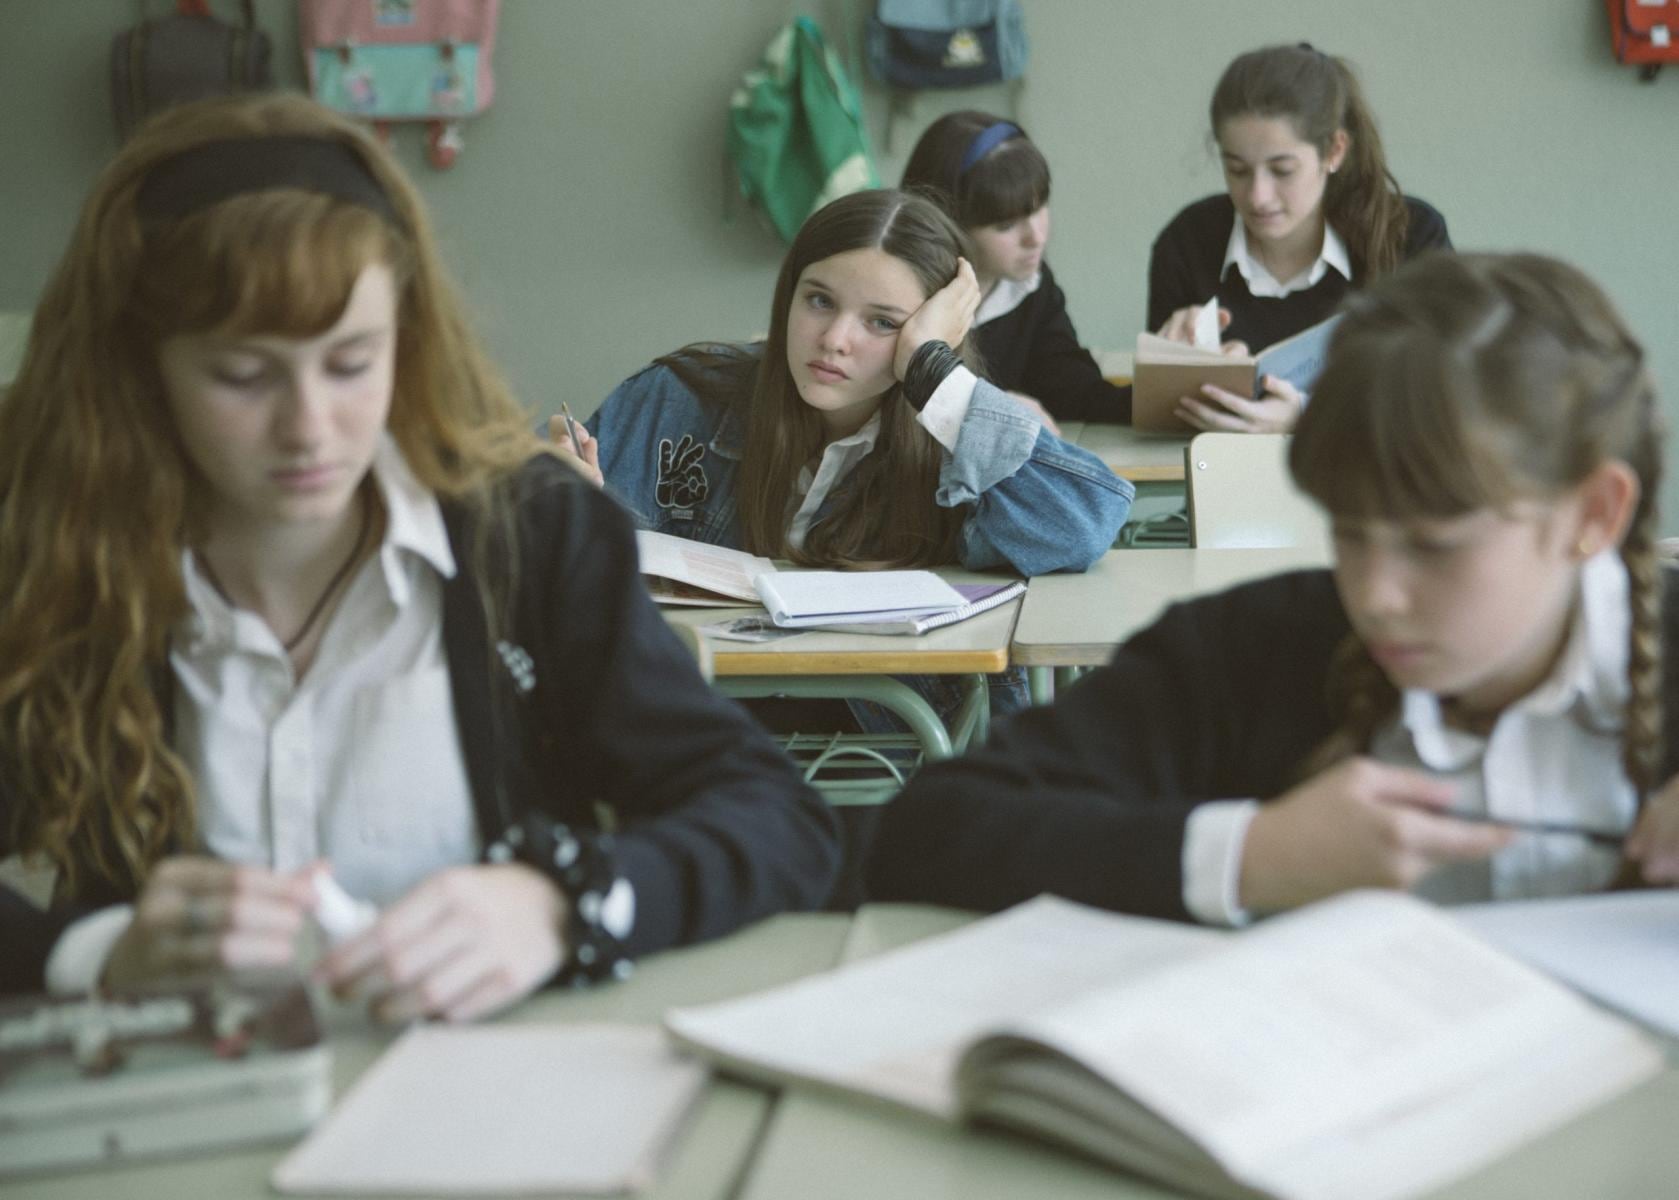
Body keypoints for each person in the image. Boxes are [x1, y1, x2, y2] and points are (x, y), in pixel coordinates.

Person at [0, 93, 840, 1011]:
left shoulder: (532, 539)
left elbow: (780, 821)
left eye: (353, 362)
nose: (309, 430)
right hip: (166, 1122)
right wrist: (91, 951)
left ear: (406, 339)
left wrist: (563, 901)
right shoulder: (52, 559)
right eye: (242, 376)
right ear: (140, 370)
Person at [868, 251, 1679, 923]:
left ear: (1593, 513)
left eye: (1433, 547)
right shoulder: (1249, 649)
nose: (1377, 595)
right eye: (1351, 533)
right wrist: (1248, 859)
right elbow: (928, 832)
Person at [554, 189, 1133, 725]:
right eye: (819, 301)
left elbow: (1081, 525)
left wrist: (933, 373)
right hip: (699, 727)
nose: (835, 338)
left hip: (887, 747)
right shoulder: (678, 400)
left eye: (883, 322)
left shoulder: (958, 435)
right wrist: (550, 495)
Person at [1147, 43, 1452, 434]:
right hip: (1225, 486)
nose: (1258, 197)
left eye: (1283, 170)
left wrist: (1307, 420)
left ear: (1334, 151)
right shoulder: (1187, 241)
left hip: (1369, 488)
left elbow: (1445, 398)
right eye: (1237, 170)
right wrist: (1188, 365)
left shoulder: (1411, 235)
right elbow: (1163, 423)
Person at [900, 111, 1130, 425]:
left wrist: (1167, 402)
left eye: (1039, 207)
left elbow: (1071, 390)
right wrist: (987, 410)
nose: (1036, 237)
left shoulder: (1029, 284)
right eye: (1006, 225)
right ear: (949, 224)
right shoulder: (902, 300)